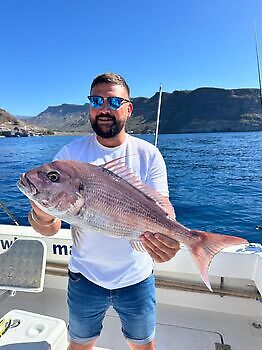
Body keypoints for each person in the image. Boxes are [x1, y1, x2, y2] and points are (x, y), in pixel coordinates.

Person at [29, 73, 180, 350]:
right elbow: (48, 229)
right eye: (97, 100)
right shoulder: (68, 156)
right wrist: (42, 209)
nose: (104, 108)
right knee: (80, 345)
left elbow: (164, 218)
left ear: (128, 108)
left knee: (144, 346)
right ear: (89, 106)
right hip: (85, 278)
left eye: (113, 101)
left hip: (137, 278)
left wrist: (170, 243)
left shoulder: (149, 155)